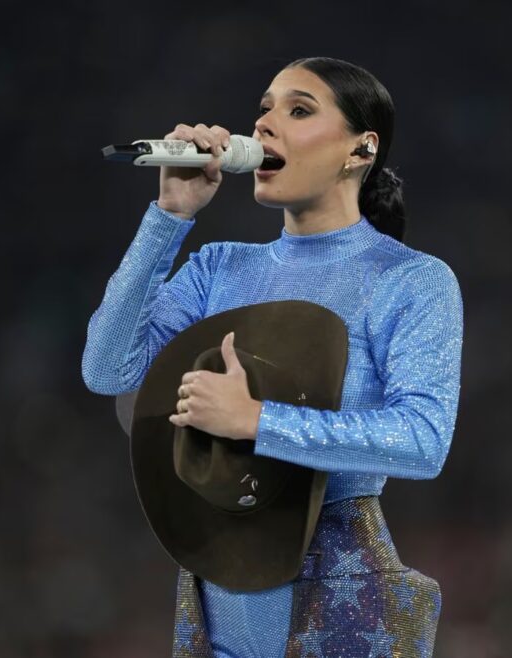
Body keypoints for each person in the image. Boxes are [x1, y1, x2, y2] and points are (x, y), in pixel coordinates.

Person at [82, 57, 462, 658]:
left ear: (361, 149)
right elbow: (107, 368)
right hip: (215, 591)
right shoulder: (218, 267)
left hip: (344, 606)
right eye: (264, 108)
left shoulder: (411, 280)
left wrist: (256, 421)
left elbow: (423, 440)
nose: (264, 125)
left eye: (299, 110)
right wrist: (170, 216)